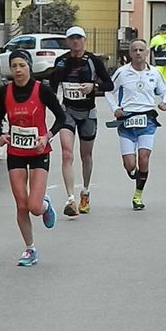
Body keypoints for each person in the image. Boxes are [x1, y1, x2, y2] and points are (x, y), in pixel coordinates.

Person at [0, 49, 66, 267]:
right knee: (21, 206)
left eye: (22, 65)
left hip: (39, 153)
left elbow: (61, 117)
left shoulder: (41, 90)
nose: (18, 70)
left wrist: (47, 136)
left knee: (33, 206)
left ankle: (44, 204)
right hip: (15, 152)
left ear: (29, 67)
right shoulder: (4, 92)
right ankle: (30, 249)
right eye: (14, 66)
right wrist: (0, 135)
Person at [49, 26, 114, 216]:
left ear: (84, 40)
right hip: (68, 112)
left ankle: (85, 191)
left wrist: (93, 86)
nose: (75, 42)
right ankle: (70, 199)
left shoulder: (93, 61)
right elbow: (52, 88)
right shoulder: (61, 62)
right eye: (72, 39)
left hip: (87, 113)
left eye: (79, 38)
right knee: (67, 154)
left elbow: (109, 84)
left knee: (86, 155)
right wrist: (57, 106)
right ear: (68, 42)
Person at [106, 39, 166, 210]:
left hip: (147, 119)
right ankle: (134, 173)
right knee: (130, 165)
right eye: (135, 50)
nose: (138, 53)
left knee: (144, 157)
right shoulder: (122, 72)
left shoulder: (155, 73)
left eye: (142, 50)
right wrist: (115, 108)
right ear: (130, 53)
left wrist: (165, 102)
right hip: (127, 120)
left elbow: (165, 91)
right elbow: (108, 91)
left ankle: (138, 195)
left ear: (147, 52)